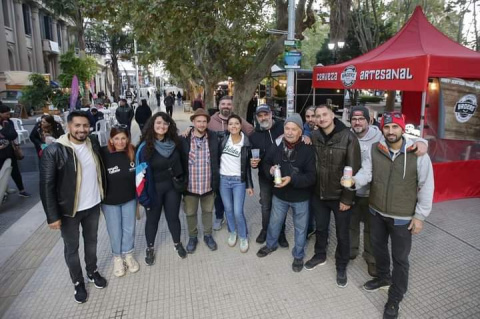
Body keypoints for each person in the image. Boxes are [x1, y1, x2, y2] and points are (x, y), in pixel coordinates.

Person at [347, 111, 434, 319]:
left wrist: (420, 216)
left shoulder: (418, 154)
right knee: (379, 250)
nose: (391, 131)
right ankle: (383, 278)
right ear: (382, 129)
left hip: (402, 217)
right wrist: (353, 182)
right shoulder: (377, 150)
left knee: (400, 258)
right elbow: (366, 172)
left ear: (402, 129)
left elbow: (426, 186)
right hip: (376, 211)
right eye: (387, 127)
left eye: (395, 127)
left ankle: (395, 298)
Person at [39, 111, 107, 304]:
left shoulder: (92, 143)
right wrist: (52, 216)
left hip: (92, 205)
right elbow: (46, 186)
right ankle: (78, 282)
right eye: (77, 125)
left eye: (85, 125)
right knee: (72, 248)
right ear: (69, 126)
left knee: (91, 242)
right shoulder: (54, 151)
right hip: (69, 211)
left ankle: (92, 272)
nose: (82, 129)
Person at [305, 104, 361, 289]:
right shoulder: (313, 136)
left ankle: (341, 265)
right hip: (318, 194)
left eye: (324, 115)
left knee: (342, 234)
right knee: (321, 229)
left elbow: (354, 171)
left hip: (339, 197)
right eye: (317, 116)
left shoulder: (348, 137)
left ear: (332, 115)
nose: (321, 118)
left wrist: (347, 198)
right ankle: (320, 255)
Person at [256, 114, 316, 272]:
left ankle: (298, 255)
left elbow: (311, 177)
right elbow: (266, 161)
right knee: (274, 223)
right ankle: (270, 245)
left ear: (300, 131)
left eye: (293, 129)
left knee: (300, 228)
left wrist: (292, 179)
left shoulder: (308, 149)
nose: (289, 132)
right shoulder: (277, 145)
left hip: (300, 197)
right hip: (280, 195)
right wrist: (269, 169)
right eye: (287, 128)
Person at [136, 112, 187, 265]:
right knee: (152, 220)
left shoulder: (175, 143)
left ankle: (177, 243)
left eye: (165, 123)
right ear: (152, 124)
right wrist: (143, 197)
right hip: (154, 190)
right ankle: (150, 247)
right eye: (158, 123)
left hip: (172, 188)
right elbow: (139, 175)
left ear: (169, 126)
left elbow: (183, 163)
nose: (162, 126)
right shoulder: (144, 147)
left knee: (173, 218)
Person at [208, 96, 254, 230]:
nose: (226, 106)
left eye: (229, 104)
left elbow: (251, 130)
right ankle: (219, 217)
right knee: (219, 198)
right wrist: (188, 129)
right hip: (218, 168)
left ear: (232, 106)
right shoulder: (211, 120)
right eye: (223, 104)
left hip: (236, 175)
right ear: (219, 105)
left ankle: (237, 227)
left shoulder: (237, 120)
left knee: (236, 207)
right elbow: (198, 128)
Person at [100, 125, 139, 277]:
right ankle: (117, 257)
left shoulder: (132, 152)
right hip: (110, 201)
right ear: (111, 139)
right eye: (116, 138)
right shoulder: (103, 153)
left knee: (129, 229)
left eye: (123, 138)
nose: (120, 142)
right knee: (115, 230)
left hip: (129, 198)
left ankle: (128, 255)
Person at [180, 109, 220, 253]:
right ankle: (192, 236)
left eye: (204, 121)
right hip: (190, 186)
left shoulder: (214, 137)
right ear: (193, 122)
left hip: (208, 184)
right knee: (190, 213)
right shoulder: (183, 139)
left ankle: (208, 235)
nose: (202, 124)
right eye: (198, 121)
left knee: (208, 211)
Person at [249, 104, 289, 248]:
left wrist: (306, 136)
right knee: (266, 205)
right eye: (260, 116)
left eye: (266, 114)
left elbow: (298, 132)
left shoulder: (282, 127)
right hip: (265, 176)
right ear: (257, 118)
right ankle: (265, 230)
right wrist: (253, 163)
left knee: (281, 205)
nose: (263, 117)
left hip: (283, 175)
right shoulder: (254, 135)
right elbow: (253, 156)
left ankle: (281, 233)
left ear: (271, 114)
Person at [219, 114, 254, 252]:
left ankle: (243, 236)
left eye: (236, 124)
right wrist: (189, 129)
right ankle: (232, 232)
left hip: (238, 181)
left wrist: (249, 185)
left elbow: (248, 167)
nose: (233, 126)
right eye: (231, 124)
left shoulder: (246, 142)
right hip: (223, 180)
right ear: (227, 126)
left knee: (238, 211)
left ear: (241, 126)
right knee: (228, 209)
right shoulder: (222, 138)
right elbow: (203, 130)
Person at [0, 105, 30, 197]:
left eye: (9, 114)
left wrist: (5, 133)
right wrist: (7, 133)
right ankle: (3, 191)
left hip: (10, 150)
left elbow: (13, 135)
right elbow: (10, 134)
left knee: (15, 171)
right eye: (6, 114)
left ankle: (21, 189)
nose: (8, 116)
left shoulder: (9, 122)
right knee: (2, 172)